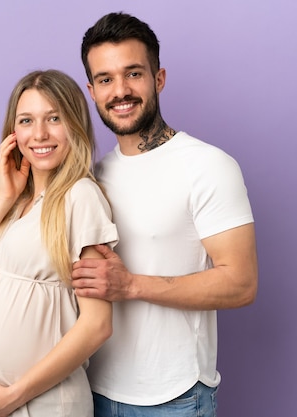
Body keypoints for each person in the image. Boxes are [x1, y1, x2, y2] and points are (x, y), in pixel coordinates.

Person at [71, 12, 259, 416]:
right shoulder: (94, 177)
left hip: (174, 398)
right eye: (105, 79)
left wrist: (130, 286)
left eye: (133, 74)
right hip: (92, 390)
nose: (120, 91)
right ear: (91, 90)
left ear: (159, 78)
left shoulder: (207, 166)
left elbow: (241, 284)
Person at [0, 69, 118, 417]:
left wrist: (14, 395)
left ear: (74, 125)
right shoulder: (14, 206)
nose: (39, 134)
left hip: (39, 405)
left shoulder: (79, 197)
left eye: (54, 118)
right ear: (13, 132)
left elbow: (98, 325)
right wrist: (3, 198)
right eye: (26, 120)